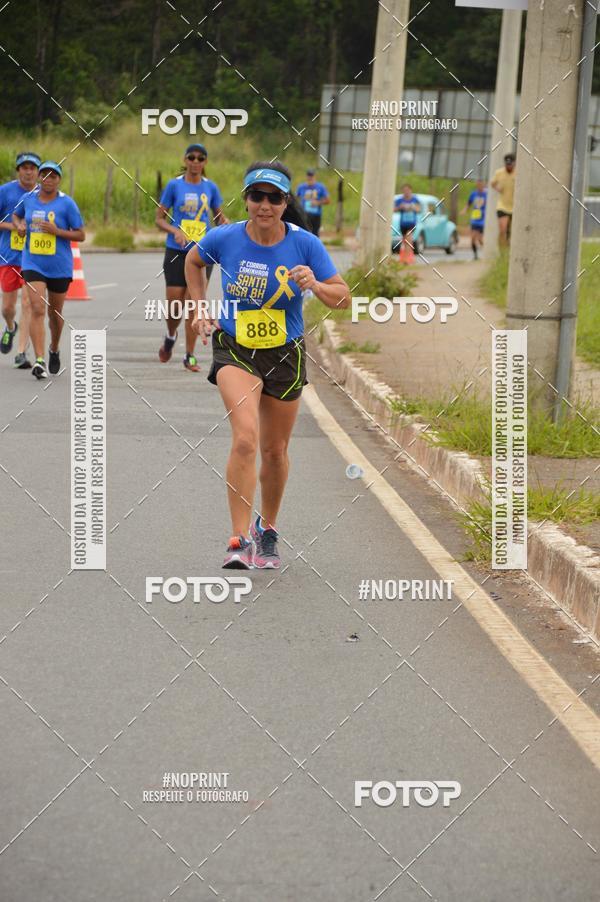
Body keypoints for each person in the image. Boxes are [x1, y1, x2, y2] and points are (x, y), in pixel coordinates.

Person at [185, 161, 349, 569]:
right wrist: (199, 308)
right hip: (236, 347)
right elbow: (192, 261)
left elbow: (342, 296)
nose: (265, 205)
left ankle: (267, 528)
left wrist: (315, 284)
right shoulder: (224, 237)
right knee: (245, 438)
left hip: (285, 352)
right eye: (257, 196)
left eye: (274, 198)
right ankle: (238, 538)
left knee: (275, 450)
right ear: (246, 200)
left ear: (284, 202)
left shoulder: (305, 244)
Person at [156, 143, 228, 372]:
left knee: (193, 303)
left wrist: (225, 224)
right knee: (174, 304)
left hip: (201, 253)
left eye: (200, 158)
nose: (196, 162)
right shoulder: (174, 185)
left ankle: (190, 355)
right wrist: (175, 231)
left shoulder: (211, 188)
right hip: (176, 251)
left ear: (205, 162)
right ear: (185, 160)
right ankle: (170, 335)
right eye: (192, 157)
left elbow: (218, 218)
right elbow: (159, 219)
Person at [13, 161, 85, 380]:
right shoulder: (28, 199)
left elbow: (80, 234)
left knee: (55, 314)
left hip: (59, 266)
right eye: (44, 175)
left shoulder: (67, 204)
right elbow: (16, 215)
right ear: (39, 178)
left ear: (58, 180)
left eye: (53, 176)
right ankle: (40, 360)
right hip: (33, 263)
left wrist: (57, 231)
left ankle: (54, 348)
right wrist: (20, 226)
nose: (48, 179)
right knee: (37, 309)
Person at [0, 151, 40, 368]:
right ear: (18, 171)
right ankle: (9, 326)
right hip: (8, 256)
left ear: (38, 172)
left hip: (32, 258)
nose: (28, 172)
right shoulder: (5, 192)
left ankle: (22, 352)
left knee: (27, 303)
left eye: (32, 168)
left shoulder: (43, 194)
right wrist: (14, 226)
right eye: (24, 168)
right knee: (7, 307)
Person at [491, 152, 516, 248]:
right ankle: (502, 252)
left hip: (514, 207)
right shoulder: (499, 173)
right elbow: (492, 183)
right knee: (502, 229)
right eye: (507, 164)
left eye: (510, 165)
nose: (508, 167)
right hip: (502, 206)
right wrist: (498, 189)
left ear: (514, 163)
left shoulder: (518, 173)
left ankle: (508, 249)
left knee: (510, 232)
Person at [295, 169, 330, 236]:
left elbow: (327, 200)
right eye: (308, 176)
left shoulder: (320, 187)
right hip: (304, 215)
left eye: (311, 176)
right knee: (303, 233)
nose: (310, 178)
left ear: (314, 177)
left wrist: (318, 203)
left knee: (315, 235)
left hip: (316, 215)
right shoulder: (301, 187)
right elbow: (295, 199)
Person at [393, 184, 421, 263]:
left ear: (411, 190)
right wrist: (400, 207)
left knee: (409, 238)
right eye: (404, 190)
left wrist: (413, 207)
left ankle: (408, 258)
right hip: (403, 224)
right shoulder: (399, 200)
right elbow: (393, 209)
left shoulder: (415, 200)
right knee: (405, 240)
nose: (406, 192)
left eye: (407, 190)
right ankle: (406, 257)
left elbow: (419, 209)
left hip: (411, 223)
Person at [463, 178, 487, 260]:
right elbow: (468, 203)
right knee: (473, 239)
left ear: (483, 185)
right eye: (478, 185)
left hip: (484, 219)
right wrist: (465, 210)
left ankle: (487, 253)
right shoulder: (473, 194)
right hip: (475, 218)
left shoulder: (487, 194)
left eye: (481, 185)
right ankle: (475, 256)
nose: (479, 186)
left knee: (480, 239)